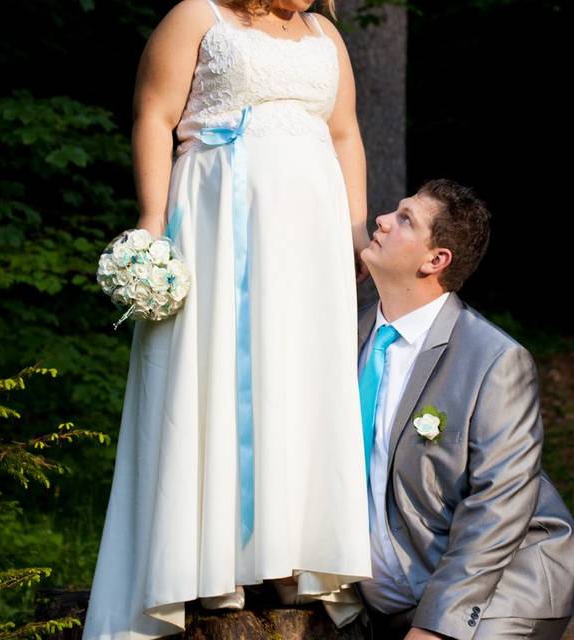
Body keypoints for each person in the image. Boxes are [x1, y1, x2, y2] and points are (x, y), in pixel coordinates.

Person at [82, 1, 372, 637]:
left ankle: (294, 554)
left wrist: (355, 230)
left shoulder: (326, 34)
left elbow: (345, 133)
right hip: (219, 218)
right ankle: (211, 565)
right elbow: (154, 116)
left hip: (311, 238)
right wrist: (153, 219)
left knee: (297, 378)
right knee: (215, 374)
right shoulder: (197, 15)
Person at [354, 178, 574, 640]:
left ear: (434, 260)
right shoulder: (346, 336)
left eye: (404, 220)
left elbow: (499, 505)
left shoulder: (493, 361)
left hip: (503, 585)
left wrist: (437, 625)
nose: (380, 220)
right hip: (390, 592)